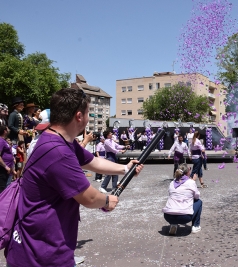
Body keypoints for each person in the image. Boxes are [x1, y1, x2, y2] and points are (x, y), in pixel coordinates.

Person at [5, 88, 143, 267]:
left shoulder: (59, 139)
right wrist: (107, 200)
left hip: (38, 246)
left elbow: (92, 161)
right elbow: (89, 197)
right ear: (79, 116)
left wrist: (125, 168)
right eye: (88, 113)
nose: (88, 118)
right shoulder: (58, 151)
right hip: (39, 253)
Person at [162, 163, 202, 235]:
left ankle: (173, 224)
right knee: (199, 202)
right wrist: (193, 181)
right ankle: (195, 226)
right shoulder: (191, 182)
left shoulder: (172, 182)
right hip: (185, 217)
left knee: (174, 203)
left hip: (168, 216)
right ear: (188, 172)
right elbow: (197, 196)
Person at [0, 126, 14, 193]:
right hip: (3, 170)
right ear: (5, 131)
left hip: (8, 169)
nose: (9, 130)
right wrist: (5, 167)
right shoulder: (0, 141)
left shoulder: (4, 141)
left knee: (6, 187)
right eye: (7, 129)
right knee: (2, 189)